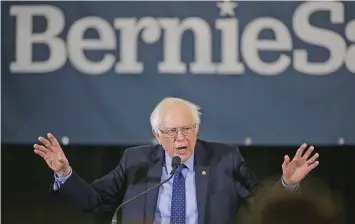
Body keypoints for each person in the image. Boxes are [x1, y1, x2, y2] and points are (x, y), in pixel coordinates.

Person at [34, 97, 319, 224]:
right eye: (171, 132)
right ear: (157, 135)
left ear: (197, 129)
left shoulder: (225, 158)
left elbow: (262, 206)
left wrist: (286, 184)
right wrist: (64, 172)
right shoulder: (135, 160)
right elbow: (94, 199)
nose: (181, 139)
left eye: (188, 129)